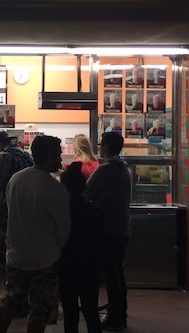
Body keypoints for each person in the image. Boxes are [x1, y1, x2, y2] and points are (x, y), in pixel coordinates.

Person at [0, 135, 70, 333]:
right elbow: (63, 229)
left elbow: (10, 212)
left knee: (9, 304)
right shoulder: (55, 188)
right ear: (49, 156)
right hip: (44, 260)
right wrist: (55, 250)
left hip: (16, 256)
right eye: (58, 155)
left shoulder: (16, 179)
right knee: (39, 313)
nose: (60, 161)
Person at [84, 131, 131, 331]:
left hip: (107, 229)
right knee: (117, 273)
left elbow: (87, 193)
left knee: (111, 276)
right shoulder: (123, 169)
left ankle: (115, 317)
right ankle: (120, 314)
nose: (99, 148)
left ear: (107, 147)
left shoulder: (105, 170)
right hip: (121, 228)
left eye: (102, 144)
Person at [0, 129, 34, 316]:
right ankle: (21, 299)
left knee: (4, 259)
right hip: (25, 212)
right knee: (20, 258)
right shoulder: (25, 155)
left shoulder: (3, 157)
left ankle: (10, 302)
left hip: (6, 212)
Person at [59, 162, 103, 333]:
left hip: (67, 267)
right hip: (90, 268)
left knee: (70, 315)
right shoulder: (95, 211)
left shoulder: (63, 210)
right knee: (91, 312)